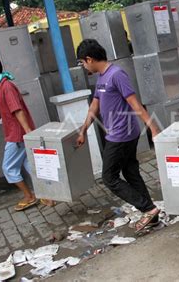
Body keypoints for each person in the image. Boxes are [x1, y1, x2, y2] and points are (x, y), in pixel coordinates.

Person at [75, 39, 161, 233]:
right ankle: (152, 216)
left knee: (109, 177)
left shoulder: (116, 74)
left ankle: (147, 208)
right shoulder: (101, 77)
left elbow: (135, 104)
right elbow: (94, 107)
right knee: (131, 172)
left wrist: (153, 128)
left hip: (121, 136)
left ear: (89, 59)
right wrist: (83, 131)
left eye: (82, 62)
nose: (83, 66)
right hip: (119, 134)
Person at [0, 56, 39, 211]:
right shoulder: (0, 87)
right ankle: (46, 193)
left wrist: (27, 131)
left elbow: (17, 110)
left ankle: (30, 196)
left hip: (17, 134)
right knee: (29, 165)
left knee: (8, 168)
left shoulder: (6, 87)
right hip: (16, 133)